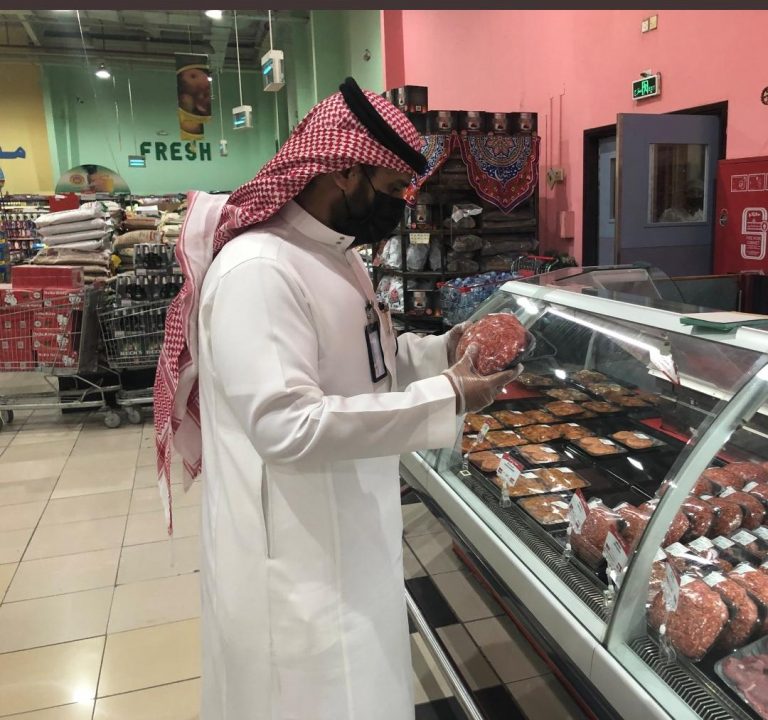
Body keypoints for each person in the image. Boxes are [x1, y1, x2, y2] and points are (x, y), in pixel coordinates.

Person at [154, 77, 520, 720]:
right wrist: (446, 397)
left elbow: (369, 365)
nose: (401, 205)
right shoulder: (260, 269)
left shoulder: (339, 258)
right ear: (344, 170)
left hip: (350, 528)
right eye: (394, 188)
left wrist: (445, 351)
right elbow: (286, 427)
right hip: (293, 557)